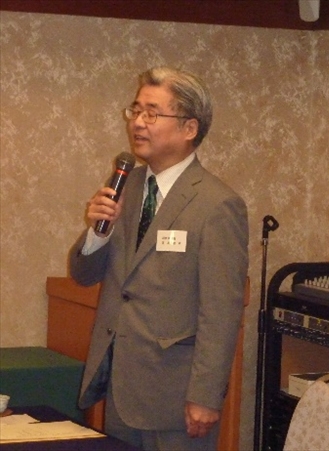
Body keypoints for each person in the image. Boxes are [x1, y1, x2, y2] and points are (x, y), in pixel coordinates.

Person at [69, 66, 249, 451]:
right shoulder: (127, 187)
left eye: (152, 113)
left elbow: (221, 311)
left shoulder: (217, 205)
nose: (137, 122)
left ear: (189, 128)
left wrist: (205, 395)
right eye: (135, 111)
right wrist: (98, 233)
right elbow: (83, 275)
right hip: (121, 386)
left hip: (177, 399)